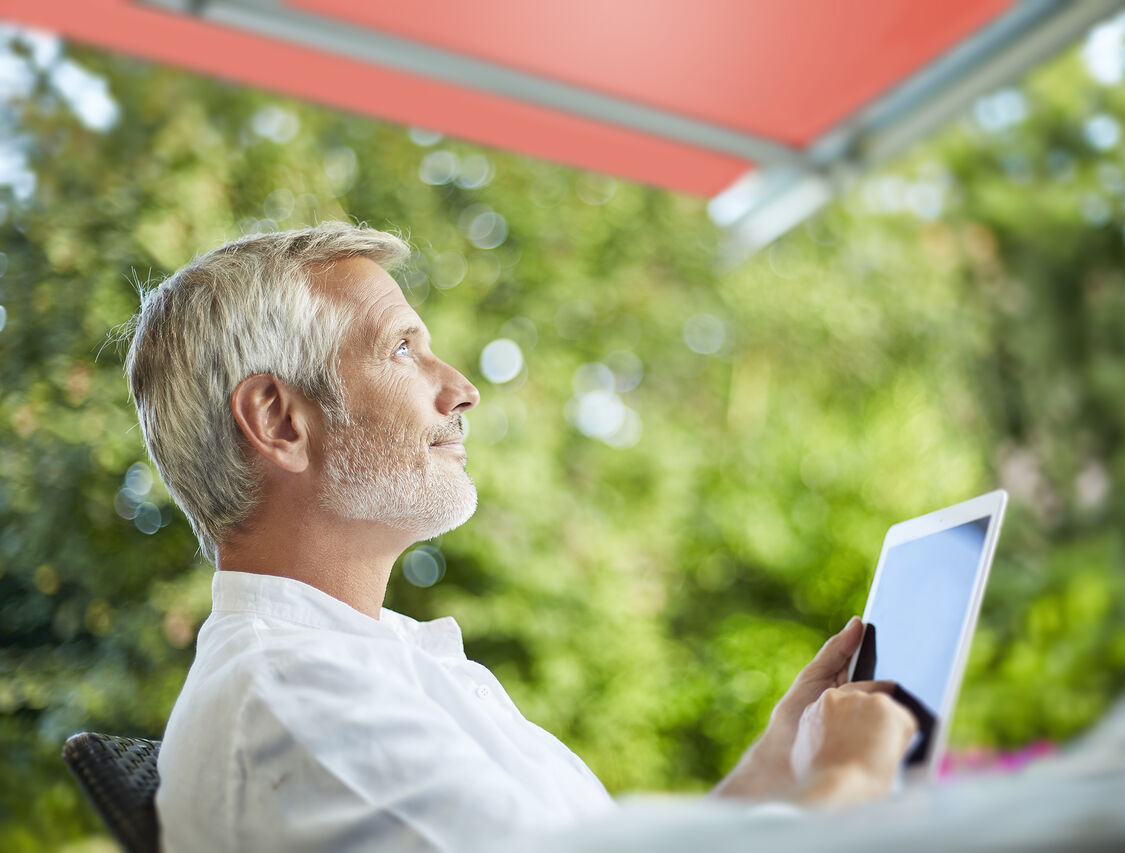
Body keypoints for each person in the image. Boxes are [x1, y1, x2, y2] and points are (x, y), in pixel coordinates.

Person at [125, 222, 918, 852]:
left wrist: (779, 763)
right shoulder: (293, 702)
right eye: (403, 347)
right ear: (279, 420)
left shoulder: (367, 662)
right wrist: (851, 776)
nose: (461, 389)